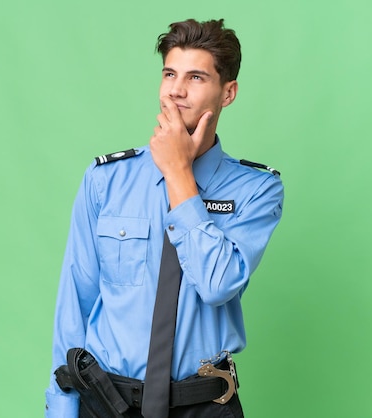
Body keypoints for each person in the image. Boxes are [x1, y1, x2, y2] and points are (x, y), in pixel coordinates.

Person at [45, 18, 284, 418]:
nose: (176, 89)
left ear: (228, 93)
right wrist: (61, 407)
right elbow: (75, 302)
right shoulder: (106, 179)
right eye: (170, 73)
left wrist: (178, 174)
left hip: (204, 407)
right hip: (106, 403)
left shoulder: (256, 190)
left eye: (195, 77)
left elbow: (217, 284)